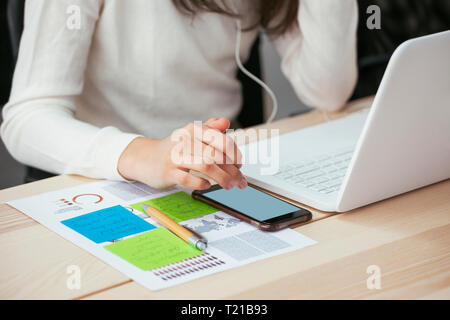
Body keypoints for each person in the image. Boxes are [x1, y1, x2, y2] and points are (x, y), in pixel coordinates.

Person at [1, 0, 358, 191]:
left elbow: (327, 90)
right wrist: (145, 154)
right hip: (114, 183)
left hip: (222, 179)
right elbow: (27, 119)